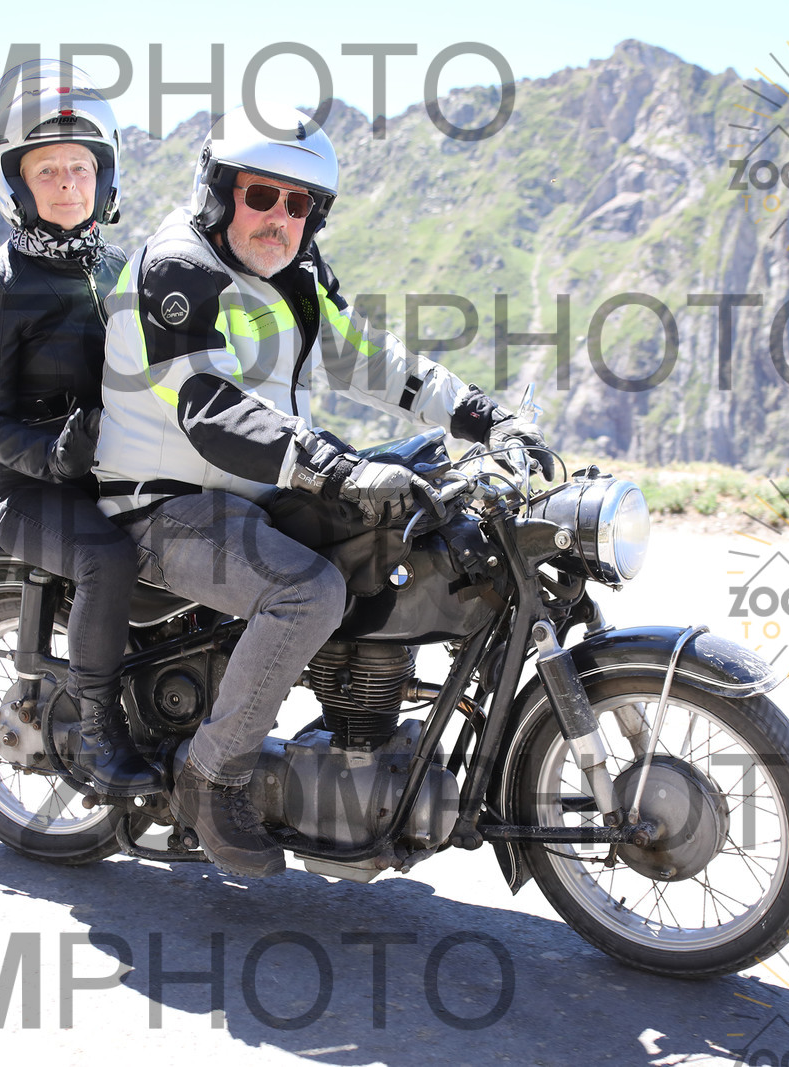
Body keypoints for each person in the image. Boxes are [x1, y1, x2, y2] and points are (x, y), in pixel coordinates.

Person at [95, 103, 549, 876]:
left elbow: (375, 360)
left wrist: (482, 416)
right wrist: (330, 465)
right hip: (164, 504)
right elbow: (208, 406)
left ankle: (365, 733)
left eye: (299, 204)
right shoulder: (178, 270)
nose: (280, 218)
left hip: (257, 493)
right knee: (306, 592)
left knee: (417, 518)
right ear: (219, 191)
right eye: (260, 195)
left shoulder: (296, 278)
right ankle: (212, 776)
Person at [0, 60, 157, 796]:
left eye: (81, 167)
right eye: (48, 170)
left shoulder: (124, 270)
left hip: (111, 468)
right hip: (16, 486)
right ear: (16, 185)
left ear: (104, 178)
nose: (68, 183)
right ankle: (100, 734)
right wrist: (53, 456)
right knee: (107, 557)